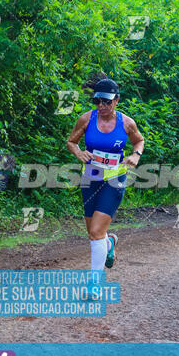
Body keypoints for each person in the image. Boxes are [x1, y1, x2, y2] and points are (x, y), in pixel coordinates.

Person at [67, 77, 144, 274]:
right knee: (93, 233)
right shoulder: (86, 119)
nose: (101, 105)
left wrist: (136, 155)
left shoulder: (127, 123)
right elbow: (71, 142)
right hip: (90, 178)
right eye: (97, 101)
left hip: (114, 179)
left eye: (107, 101)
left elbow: (139, 141)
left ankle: (95, 282)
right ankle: (109, 243)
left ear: (116, 100)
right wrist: (78, 152)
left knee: (95, 232)